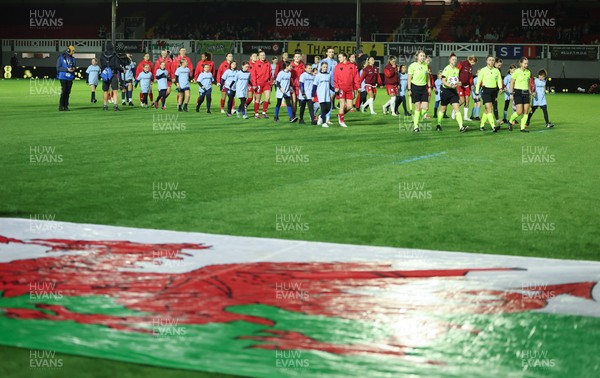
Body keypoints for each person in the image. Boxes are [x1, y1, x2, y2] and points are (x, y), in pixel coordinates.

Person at [437, 53, 465, 132]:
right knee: (443, 109)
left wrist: (459, 83)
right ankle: (439, 124)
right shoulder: (446, 69)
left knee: (457, 108)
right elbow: (443, 81)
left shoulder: (457, 70)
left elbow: (457, 80)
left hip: (453, 92)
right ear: (449, 60)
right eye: (453, 59)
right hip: (445, 91)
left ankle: (461, 127)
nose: (454, 61)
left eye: (455, 60)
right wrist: (450, 85)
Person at [475, 55, 503, 132]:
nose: (491, 61)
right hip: (486, 91)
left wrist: (500, 88)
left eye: (493, 60)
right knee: (490, 108)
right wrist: (477, 93)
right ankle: (493, 126)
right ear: (487, 61)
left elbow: (499, 80)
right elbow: (478, 82)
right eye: (489, 60)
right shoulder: (483, 70)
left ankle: (481, 126)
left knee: (487, 110)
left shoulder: (496, 71)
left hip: (494, 91)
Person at [333, 52, 360, 127]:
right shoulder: (338, 66)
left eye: (340, 57)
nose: (339, 59)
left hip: (349, 88)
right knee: (342, 105)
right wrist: (336, 86)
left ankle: (340, 115)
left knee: (349, 106)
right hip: (341, 88)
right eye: (338, 57)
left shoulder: (352, 66)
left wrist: (357, 87)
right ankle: (342, 121)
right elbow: (335, 77)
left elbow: (356, 77)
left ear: (345, 57)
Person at [407, 50, 431, 132]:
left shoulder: (425, 65)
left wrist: (429, 87)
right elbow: (409, 78)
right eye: (421, 55)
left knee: (426, 107)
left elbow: (427, 77)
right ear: (417, 57)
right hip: (415, 88)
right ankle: (416, 126)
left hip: (423, 88)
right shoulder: (412, 66)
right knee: (417, 108)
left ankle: (417, 119)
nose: (423, 57)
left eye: (424, 56)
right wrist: (409, 89)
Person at [508, 57, 533, 132]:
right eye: (525, 63)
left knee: (526, 111)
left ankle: (522, 128)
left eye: (527, 63)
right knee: (519, 111)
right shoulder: (516, 72)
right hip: (518, 92)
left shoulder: (528, 72)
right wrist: (511, 93)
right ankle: (510, 121)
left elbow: (528, 83)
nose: (526, 65)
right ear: (521, 63)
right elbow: (512, 82)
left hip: (526, 92)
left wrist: (530, 92)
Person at [100, 42, 121, 111]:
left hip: (105, 74)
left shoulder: (102, 55)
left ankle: (105, 105)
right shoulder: (115, 55)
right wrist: (122, 69)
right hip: (113, 74)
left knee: (105, 91)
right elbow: (117, 66)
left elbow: (102, 65)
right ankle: (115, 105)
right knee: (115, 90)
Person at [252, 50, 273, 118]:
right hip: (258, 84)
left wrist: (270, 82)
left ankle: (264, 113)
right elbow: (253, 75)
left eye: (264, 55)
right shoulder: (256, 64)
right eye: (261, 55)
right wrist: (254, 84)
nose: (263, 56)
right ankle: (256, 113)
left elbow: (270, 73)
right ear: (259, 56)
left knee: (267, 98)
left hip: (266, 83)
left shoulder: (268, 63)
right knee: (258, 99)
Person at [312, 62, 334, 127]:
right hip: (321, 94)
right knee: (323, 109)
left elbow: (329, 85)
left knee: (328, 108)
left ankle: (320, 116)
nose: (325, 68)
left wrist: (334, 89)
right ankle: (324, 123)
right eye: (324, 67)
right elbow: (314, 86)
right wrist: (313, 95)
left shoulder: (328, 75)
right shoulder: (318, 76)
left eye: (326, 67)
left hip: (327, 94)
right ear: (321, 67)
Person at [457, 55, 477, 121]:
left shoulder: (470, 67)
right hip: (460, 85)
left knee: (467, 101)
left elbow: (470, 77)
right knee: (462, 101)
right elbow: (456, 72)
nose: (474, 64)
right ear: (472, 60)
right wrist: (457, 80)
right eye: (474, 63)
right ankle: (455, 110)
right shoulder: (462, 63)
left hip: (467, 86)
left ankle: (465, 116)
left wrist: (472, 84)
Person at [56, 45, 76, 111]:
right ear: (68, 50)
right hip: (63, 77)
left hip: (70, 77)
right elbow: (58, 68)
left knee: (68, 92)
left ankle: (66, 106)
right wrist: (67, 70)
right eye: (72, 51)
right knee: (64, 91)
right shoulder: (61, 58)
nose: (73, 52)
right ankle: (61, 106)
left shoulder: (73, 59)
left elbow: (74, 67)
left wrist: (73, 69)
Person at [320, 48, 338, 123]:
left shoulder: (335, 62)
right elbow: (319, 72)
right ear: (327, 53)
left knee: (329, 101)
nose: (331, 53)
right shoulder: (323, 61)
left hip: (332, 84)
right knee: (323, 102)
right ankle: (321, 116)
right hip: (324, 84)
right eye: (330, 52)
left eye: (332, 52)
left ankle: (327, 118)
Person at [289, 52, 305, 120]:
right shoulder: (291, 65)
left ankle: (301, 117)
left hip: (301, 86)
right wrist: (289, 85)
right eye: (296, 56)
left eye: (299, 56)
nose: (297, 58)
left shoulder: (303, 65)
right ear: (294, 58)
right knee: (294, 101)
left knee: (301, 102)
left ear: (301, 57)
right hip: (293, 86)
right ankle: (293, 115)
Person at [492, 58, 504, 123]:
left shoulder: (498, 70)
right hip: (490, 89)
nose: (500, 67)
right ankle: (496, 120)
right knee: (493, 104)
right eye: (499, 65)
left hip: (495, 89)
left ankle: (496, 120)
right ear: (495, 63)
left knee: (492, 104)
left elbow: (500, 80)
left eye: (501, 65)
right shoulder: (491, 70)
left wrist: (501, 88)